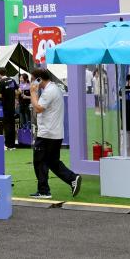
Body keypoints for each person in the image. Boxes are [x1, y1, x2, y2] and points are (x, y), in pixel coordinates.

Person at [29, 68, 81, 199]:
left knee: (39, 161)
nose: (31, 82)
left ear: (39, 79)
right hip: (54, 133)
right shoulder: (54, 88)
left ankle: (44, 191)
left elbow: (38, 108)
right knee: (52, 161)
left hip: (47, 133)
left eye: (33, 79)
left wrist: (33, 94)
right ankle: (72, 178)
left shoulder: (49, 91)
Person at [0, 68, 19, 150]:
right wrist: (15, 100)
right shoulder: (12, 80)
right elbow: (18, 92)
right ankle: (12, 144)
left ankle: (7, 144)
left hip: (4, 107)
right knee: (12, 125)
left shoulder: (0, 82)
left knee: (6, 125)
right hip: (12, 106)